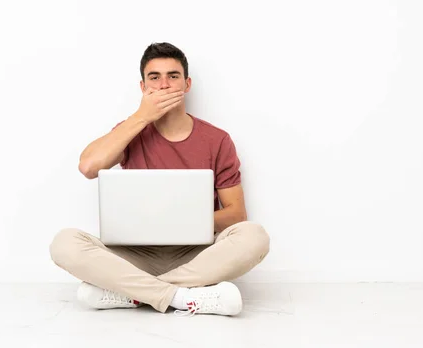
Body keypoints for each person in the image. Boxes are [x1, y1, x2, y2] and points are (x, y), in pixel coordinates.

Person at [49, 42, 270, 317]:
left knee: (255, 237)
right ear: (143, 87)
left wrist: (179, 218)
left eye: (173, 76)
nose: (164, 85)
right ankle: (182, 297)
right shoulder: (131, 131)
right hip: (135, 255)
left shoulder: (217, 140)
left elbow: (237, 214)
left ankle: (133, 293)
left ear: (186, 84)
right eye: (154, 77)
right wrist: (143, 116)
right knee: (64, 243)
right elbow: (88, 166)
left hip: (196, 255)